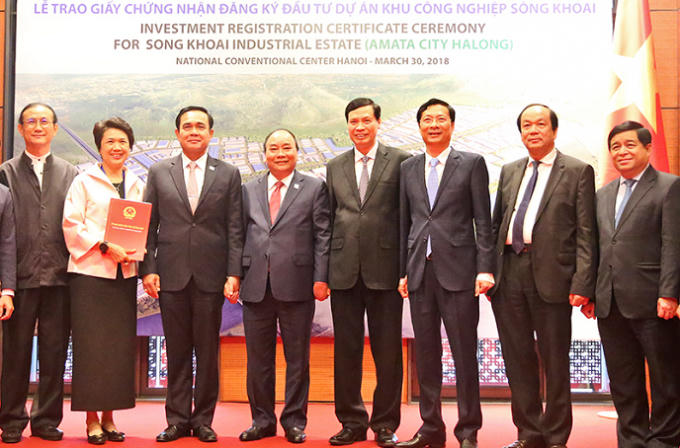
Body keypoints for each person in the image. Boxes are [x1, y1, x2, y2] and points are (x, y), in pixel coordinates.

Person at [489, 104, 597, 448]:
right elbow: (496, 225)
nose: (532, 130)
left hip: (553, 276)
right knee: (517, 359)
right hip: (509, 273)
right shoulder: (510, 170)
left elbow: (586, 233)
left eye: (539, 124)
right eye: (526, 125)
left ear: (554, 130)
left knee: (555, 360)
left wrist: (583, 282)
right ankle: (529, 433)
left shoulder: (577, 170)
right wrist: (490, 273)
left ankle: (555, 437)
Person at [141, 106, 243, 443]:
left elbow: (234, 228)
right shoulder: (159, 172)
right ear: (177, 133)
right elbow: (149, 227)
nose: (194, 131)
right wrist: (148, 269)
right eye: (187, 126)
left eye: (201, 126)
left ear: (211, 133)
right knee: (177, 350)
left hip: (211, 277)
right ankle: (176, 419)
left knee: (207, 352)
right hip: (170, 275)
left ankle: (203, 421)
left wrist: (234, 273)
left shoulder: (228, 173)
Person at [397, 98, 495, 448]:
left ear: (451, 125)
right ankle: (431, 428)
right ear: (419, 126)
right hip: (420, 274)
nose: (434, 124)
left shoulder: (471, 163)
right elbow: (405, 223)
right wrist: (403, 271)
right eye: (427, 119)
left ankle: (468, 431)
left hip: (460, 274)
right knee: (426, 356)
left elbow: (483, 220)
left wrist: (485, 268)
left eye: (440, 119)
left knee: (464, 354)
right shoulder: (408, 167)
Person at [587, 121, 680, 448]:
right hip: (610, 302)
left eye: (630, 145)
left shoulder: (669, 187)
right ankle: (632, 440)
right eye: (616, 146)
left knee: (665, 378)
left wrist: (670, 293)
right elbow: (597, 247)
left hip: (654, 301)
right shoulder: (603, 194)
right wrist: (591, 292)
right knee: (624, 381)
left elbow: (673, 244)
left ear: (647, 148)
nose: (622, 151)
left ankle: (664, 440)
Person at [326, 98, 410, 447]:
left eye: (365, 121)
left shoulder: (402, 161)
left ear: (378, 123)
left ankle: (385, 424)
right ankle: (351, 422)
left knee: (387, 352)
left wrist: (406, 269)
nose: (359, 127)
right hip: (343, 271)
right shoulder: (335, 165)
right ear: (347, 126)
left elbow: (408, 218)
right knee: (346, 351)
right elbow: (330, 218)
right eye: (353, 122)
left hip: (385, 270)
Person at [238, 129, 331, 444]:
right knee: (258, 361)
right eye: (274, 148)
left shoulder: (314, 187)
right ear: (265, 154)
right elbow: (237, 234)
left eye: (286, 147)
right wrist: (233, 274)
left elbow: (323, 235)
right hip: (255, 285)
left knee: (297, 360)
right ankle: (261, 421)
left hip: (298, 284)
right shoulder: (248, 189)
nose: (280, 153)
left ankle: (294, 421)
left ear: (297, 151)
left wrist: (321, 277)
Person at [62, 117, 144, 445]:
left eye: (122, 141)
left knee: (117, 349)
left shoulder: (137, 183)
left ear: (130, 147)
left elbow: (144, 226)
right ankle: (91, 420)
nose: (117, 147)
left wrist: (134, 250)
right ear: (99, 147)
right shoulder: (84, 181)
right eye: (110, 141)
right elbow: (71, 225)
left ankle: (110, 418)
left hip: (124, 275)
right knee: (91, 348)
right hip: (90, 275)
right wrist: (105, 245)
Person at [0, 103, 76, 444]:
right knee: (15, 354)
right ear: (20, 129)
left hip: (60, 278)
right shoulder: (5, 173)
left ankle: (45, 419)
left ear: (55, 128)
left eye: (45, 121)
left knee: (54, 353)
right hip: (20, 277)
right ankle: (11, 419)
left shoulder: (71, 173)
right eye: (31, 121)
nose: (38, 126)